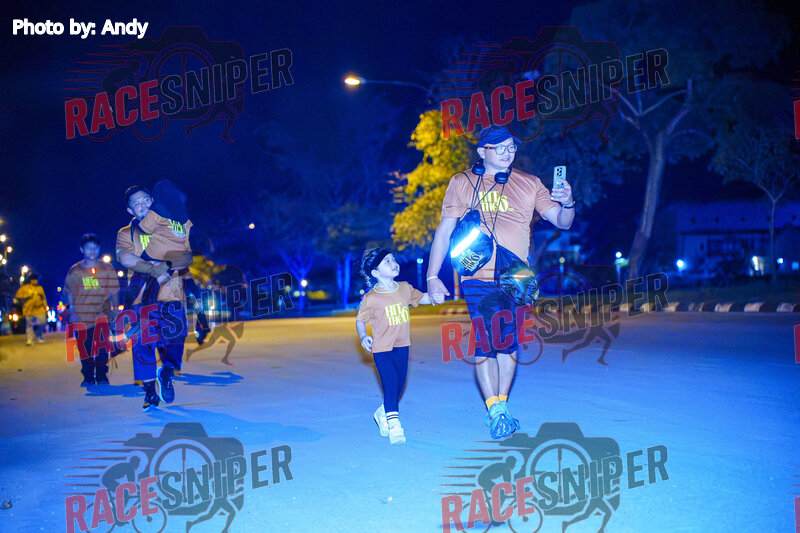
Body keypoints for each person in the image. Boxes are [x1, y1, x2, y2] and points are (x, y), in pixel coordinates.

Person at [426, 125, 575, 439]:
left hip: (517, 276)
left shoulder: (530, 183)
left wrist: (569, 202)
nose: (508, 152)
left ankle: (502, 404)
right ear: (483, 151)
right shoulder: (462, 182)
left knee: (508, 343)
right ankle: (494, 410)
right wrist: (432, 276)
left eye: (512, 147)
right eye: (500, 147)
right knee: (484, 340)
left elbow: (562, 222)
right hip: (476, 275)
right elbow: (444, 230)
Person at [115, 184, 194, 412]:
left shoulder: (173, 224)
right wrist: (154, 270)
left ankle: (166, 373)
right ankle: (150, 392)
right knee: (143, 344)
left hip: (172, 295)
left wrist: (165, 264)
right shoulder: (126, 233)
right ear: (130, 210)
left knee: (176, 340)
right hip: (143, 300)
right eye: (136, 204)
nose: (142, 205)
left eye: (146, 200)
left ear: (153, 201)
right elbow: (125, 258)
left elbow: (187, 257)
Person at [356, 248, 432, 445]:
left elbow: (422, 298)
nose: (394, 263)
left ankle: (383, 412)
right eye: (387, 262)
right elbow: (360, 320)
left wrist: (434, 297)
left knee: (398, 387)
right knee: (390, 386)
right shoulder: (372, 297)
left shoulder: (405, 288)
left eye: (393, 259)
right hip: (381, 349)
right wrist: (363, 335)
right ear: (375, 272)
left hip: (403, 346)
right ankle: (395, 426)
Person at [63, 233, 120, 386]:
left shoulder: (107, 268)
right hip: (82, 317)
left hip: (102, 315)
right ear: (82, 249)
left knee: (102, 348)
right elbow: (69, 291)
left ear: (99, 248)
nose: (92, 251)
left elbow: (114, 290)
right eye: (89, 248)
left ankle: (101, 376)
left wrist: (115, 309)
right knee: (85, 349)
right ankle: (88, 377)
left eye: (95, 248)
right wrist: (71, 310)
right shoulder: (76, 270)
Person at [14, 272, 48, 346]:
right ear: (31, 280)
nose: (36, 281)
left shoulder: (40, 288)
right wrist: (27, 296)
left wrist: (45, 307)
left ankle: (39, 336)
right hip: (29, 310)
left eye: (37, 279)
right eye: (34, 279)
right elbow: (18, 297)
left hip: (39, 309)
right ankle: (30, 340)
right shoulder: (25, 288)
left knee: (41, 323)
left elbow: (43, 298)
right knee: (29, 325)